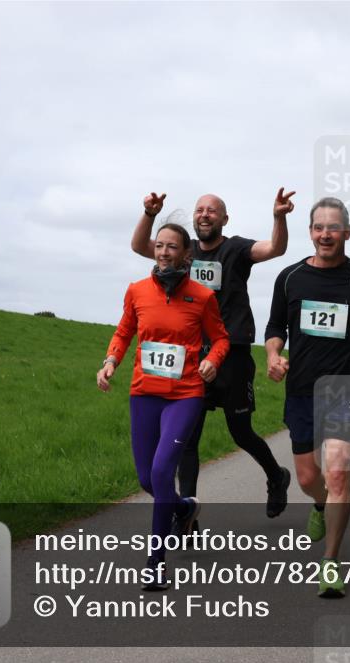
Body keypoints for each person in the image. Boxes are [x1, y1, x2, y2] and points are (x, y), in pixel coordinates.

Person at [131, 189, 294, 523]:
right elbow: (140, 247)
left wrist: (279, 217)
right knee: (188, 439)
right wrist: (148, 216)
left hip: (230, 353)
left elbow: (275, 248)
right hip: (191, 355)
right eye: (199, 210)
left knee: (241, 431)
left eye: (212, 211)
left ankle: (276, 476)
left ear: (224, 219)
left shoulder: (235, 248)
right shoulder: (183, 250)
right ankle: (186, 516)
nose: (204, 215)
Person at [265, 197, 350, 598]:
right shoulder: (289, 278)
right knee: (307, 478)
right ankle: (319, 505)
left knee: (337, 473)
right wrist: (273, 355)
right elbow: (274, 326)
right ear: (310, 232)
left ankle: (331, 563)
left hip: (345, 386)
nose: (325, 234)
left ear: (347, 233)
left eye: (333, 227)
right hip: (301, 388)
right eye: (318, 227)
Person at [97, 222, 229, 590]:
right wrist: (110, 362)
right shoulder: (137, 291)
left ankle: (155, 563)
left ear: (186, 254)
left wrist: (213, 361)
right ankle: (184, 508)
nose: (164, 253)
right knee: (145, 479)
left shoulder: (202, 296)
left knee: (159, 473)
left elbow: (220, 339)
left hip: (185, 394)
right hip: (144, 393)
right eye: (160, 247)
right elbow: (124, 331)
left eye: (172, 247)